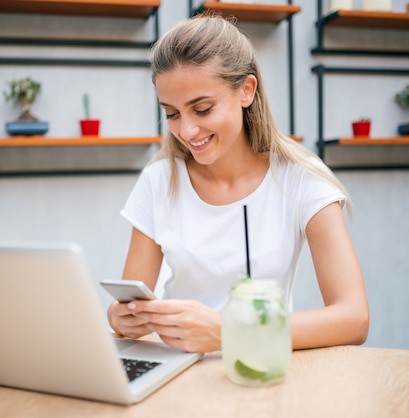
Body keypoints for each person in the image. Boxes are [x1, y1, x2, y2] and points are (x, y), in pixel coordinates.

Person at [107, 14, 369, 353]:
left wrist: (229, 333)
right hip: (178, 371)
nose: (186, 131)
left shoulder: (299, 179)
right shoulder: (159, 181)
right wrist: (120, 317)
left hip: (261, 365)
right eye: (172, 114)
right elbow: (133, 305)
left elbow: (354, 318)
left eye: (202, 109)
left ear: (247, 91)